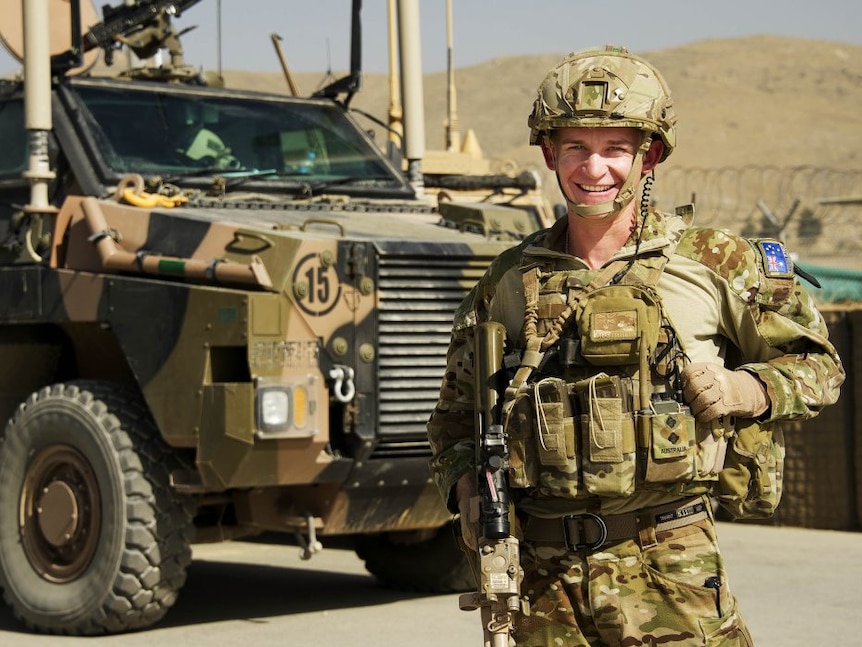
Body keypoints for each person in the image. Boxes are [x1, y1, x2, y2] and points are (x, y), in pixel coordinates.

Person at [427, 45, 845, 646]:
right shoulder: (508, 281)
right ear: (549, 152)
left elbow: (820, 366)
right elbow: (453, 417)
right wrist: (467, 487)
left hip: (668, 567)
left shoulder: (712, 260)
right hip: (541, 578)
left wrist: (745, 388)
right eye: (575, 147)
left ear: (649, 154)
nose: (593, 169)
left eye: (614, 149)